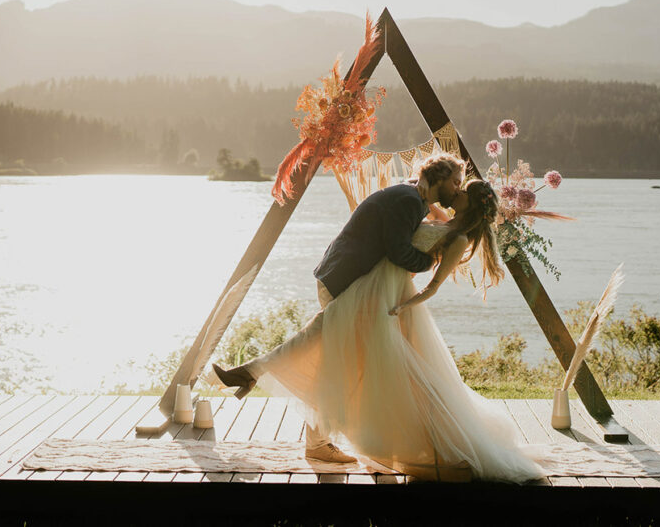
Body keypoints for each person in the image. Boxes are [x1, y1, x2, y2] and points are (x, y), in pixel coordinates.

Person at [214, 157, 544, 483]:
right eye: (456, 183)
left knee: (335, 354)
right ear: (440, 179)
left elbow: (416, 248)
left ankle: (276, 400)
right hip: (356, 282)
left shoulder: (414, 199)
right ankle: (267, 392)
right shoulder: (408, 201)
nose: (457, 189)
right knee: (330, 350)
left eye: (461, 188)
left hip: (375, 289)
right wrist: (426, 260)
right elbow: (400, 253)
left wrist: (422, 269)